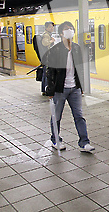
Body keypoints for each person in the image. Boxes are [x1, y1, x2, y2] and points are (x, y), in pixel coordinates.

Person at [42, 21, 95, 152]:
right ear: (61, 33)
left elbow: (80, 69)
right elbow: (50, 72)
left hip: (75, 89)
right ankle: (55, 140)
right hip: (60, 89)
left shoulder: (77, 48)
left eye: (71, 28)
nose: (70, 30)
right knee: (57, 116)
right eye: (67, 29)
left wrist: (81, 86)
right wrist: (50, 90)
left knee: (79, 116)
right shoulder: (55, 50)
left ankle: (84, 143)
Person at [40, 22, 55, 95]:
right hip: (47, 58)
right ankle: (46, 90)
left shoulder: (47, 34)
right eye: (50, 27)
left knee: (45, 73)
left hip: (45, 57)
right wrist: (51, 41)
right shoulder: (46, 35)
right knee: (47, 74)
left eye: (52, 27)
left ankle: (44, 90)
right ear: (46, 28)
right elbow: (45, 43)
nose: (52, 28)